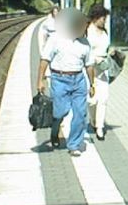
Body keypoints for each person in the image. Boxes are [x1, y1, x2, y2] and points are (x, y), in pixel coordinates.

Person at [37, 8, 95, 156]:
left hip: (78, 80)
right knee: (60, 111)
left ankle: (74, 144)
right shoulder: (56, 39)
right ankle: (54, 131)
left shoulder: (85, 43)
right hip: (59, 79)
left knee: (81, 114)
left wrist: (92, 84)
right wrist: (40, 80)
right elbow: (45, 59)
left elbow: (89, 65)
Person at [86, 4, 112, 141]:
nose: (104, 21)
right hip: (89, 68)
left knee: (103, 99)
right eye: (103, 18)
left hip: (103, 69)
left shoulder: (105, 32)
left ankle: (100, 127)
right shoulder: (87, 30)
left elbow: (106, 49)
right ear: (96, 17)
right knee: (91, 101)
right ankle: (93, 120)